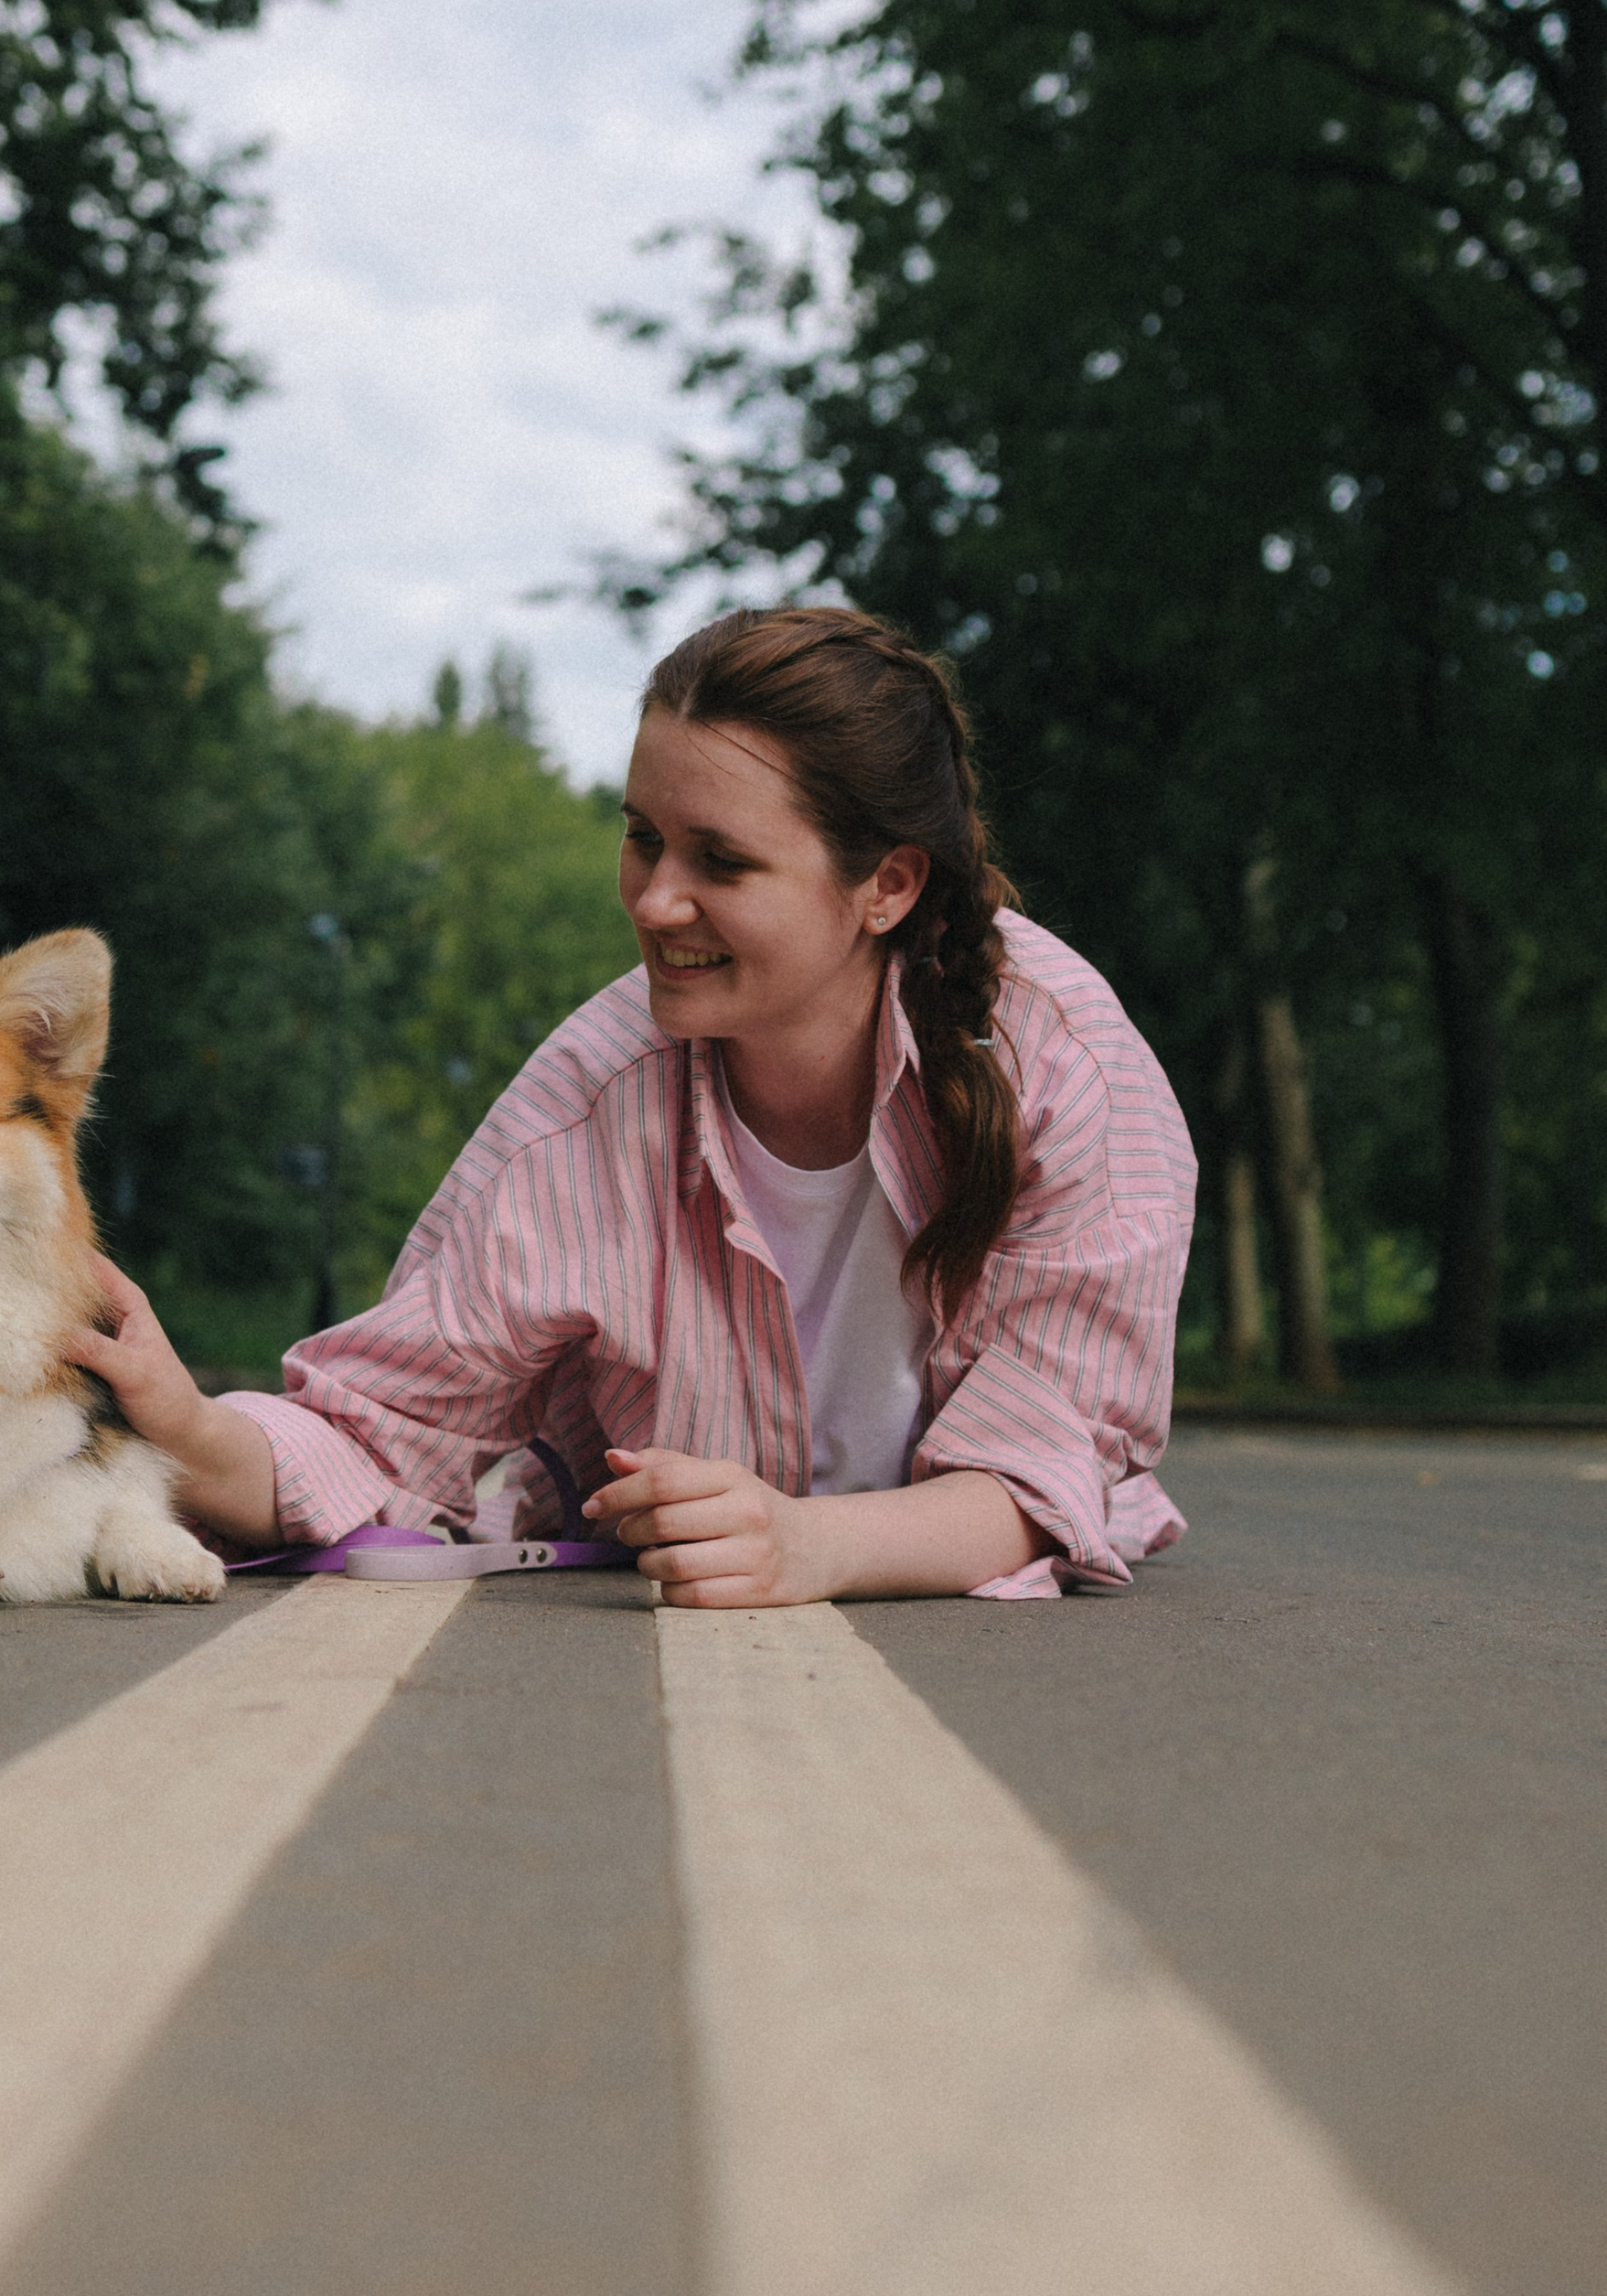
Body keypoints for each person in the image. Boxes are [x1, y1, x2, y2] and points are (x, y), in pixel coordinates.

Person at [74, 604, 1197, 1605]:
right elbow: (387, 1428)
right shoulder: (591, 1095)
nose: (656, 901)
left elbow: (1038, 1467)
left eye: (721, 861)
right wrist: (186, 1425)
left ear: (887, 886)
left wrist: (807, 1545)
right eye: (643, 839)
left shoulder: (1069, 1069)